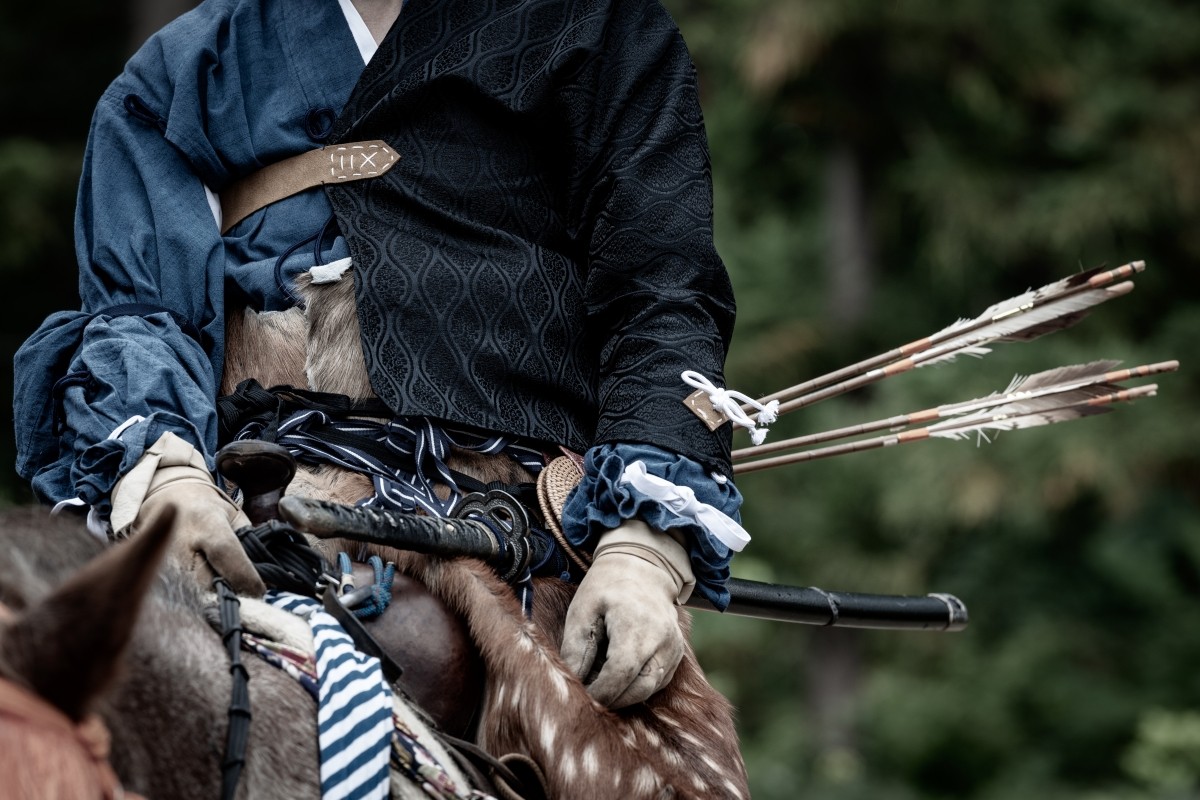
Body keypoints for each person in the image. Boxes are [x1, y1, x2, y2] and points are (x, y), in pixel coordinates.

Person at [14, 0, 746, 715]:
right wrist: (170, 476)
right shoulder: (182, 72)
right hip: (253, 502)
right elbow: (140, 311)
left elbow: (663, 297)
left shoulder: (597, 23)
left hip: (522, 522)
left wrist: (643, 549)